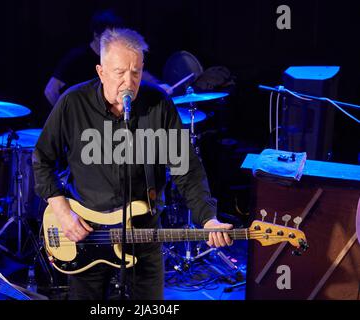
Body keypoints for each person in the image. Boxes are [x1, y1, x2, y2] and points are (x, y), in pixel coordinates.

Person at [32, 28, 232, 300]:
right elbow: (42, 159)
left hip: (144, 237)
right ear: (101, 72)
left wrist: (208, 218)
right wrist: (63, 212)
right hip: (87, 236)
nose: (129, 81)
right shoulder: (73, 103)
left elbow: (186, 169)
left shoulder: (158, 105)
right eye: (120, 72)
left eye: (136, 72)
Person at [44, 9, 171, 107]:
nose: (114, 41)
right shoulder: (76, 58)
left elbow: (138, 73)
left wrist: (159, 86)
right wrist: (66, 117)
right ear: (96, 35)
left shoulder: (117, 56)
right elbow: (50, 90)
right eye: (109, 37)